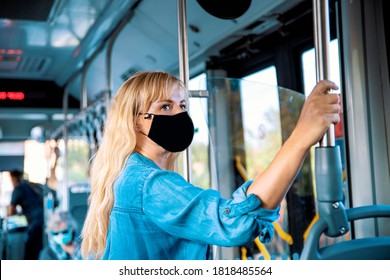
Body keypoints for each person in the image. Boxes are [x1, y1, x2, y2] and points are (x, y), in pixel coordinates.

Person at [81, 71, 340, 260]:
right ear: (136, 121)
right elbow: (232, 225)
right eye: (165, 106)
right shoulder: (147, 184)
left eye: (182, 105)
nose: (179, 115)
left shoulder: (130, 173)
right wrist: (300, 137)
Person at [8, 169, 44, 259]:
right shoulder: (28, 186)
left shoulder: (17, 189)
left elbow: (10, 212)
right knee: (38, 250)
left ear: (14, 179)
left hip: (35, 223)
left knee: (31, 253)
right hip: (42, 220)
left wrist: (17, 212)